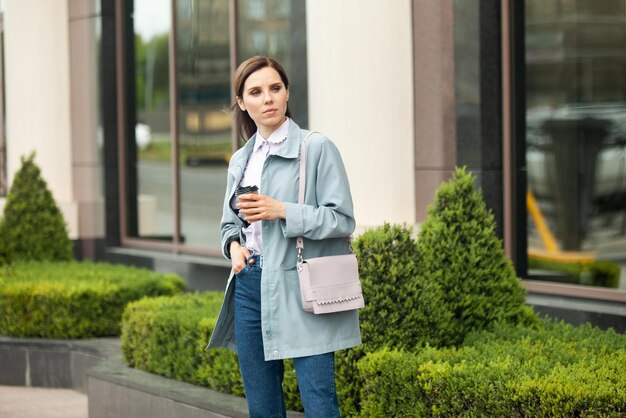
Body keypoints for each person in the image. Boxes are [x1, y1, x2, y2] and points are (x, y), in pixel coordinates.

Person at [206, 55, 361, 417]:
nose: (268, 98)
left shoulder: (315, 148)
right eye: (256, 92)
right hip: (249, 285)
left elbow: (343, 219)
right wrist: (233, 248)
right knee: (262, 405)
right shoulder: (241, 160)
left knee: (319, 402)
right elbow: (230, 222)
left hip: (299, 283)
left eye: (275, 88)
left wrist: (284, 211)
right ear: (243, 103)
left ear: (287, 92)